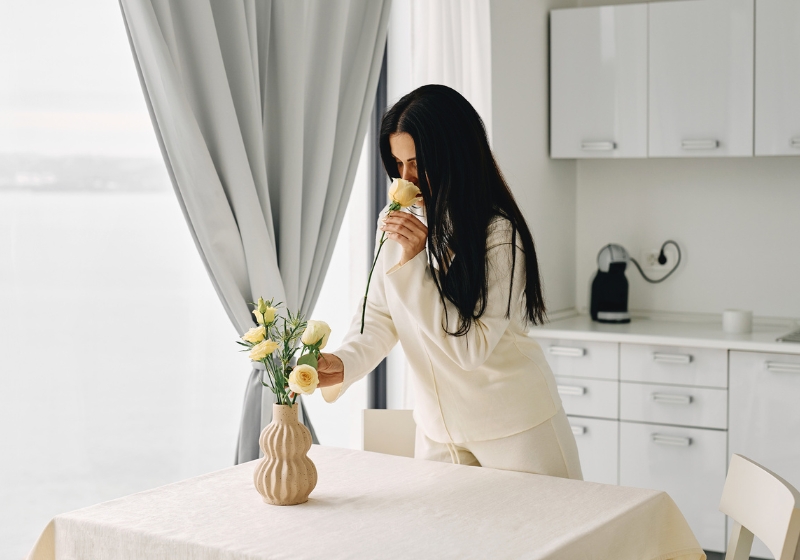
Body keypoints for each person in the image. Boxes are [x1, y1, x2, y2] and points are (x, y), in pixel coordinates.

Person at [315, 84, 582, 479]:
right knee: (444, 541)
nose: (405, 178)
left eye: (417, 163)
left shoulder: (499, 234)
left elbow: (470, 349)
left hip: (516, 427)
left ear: (453, 156)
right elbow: (380, 315)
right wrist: (342, 362)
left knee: (558, 538)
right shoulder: (397, 222)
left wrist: (415, 262)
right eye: (397, 164)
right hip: (439, 431)